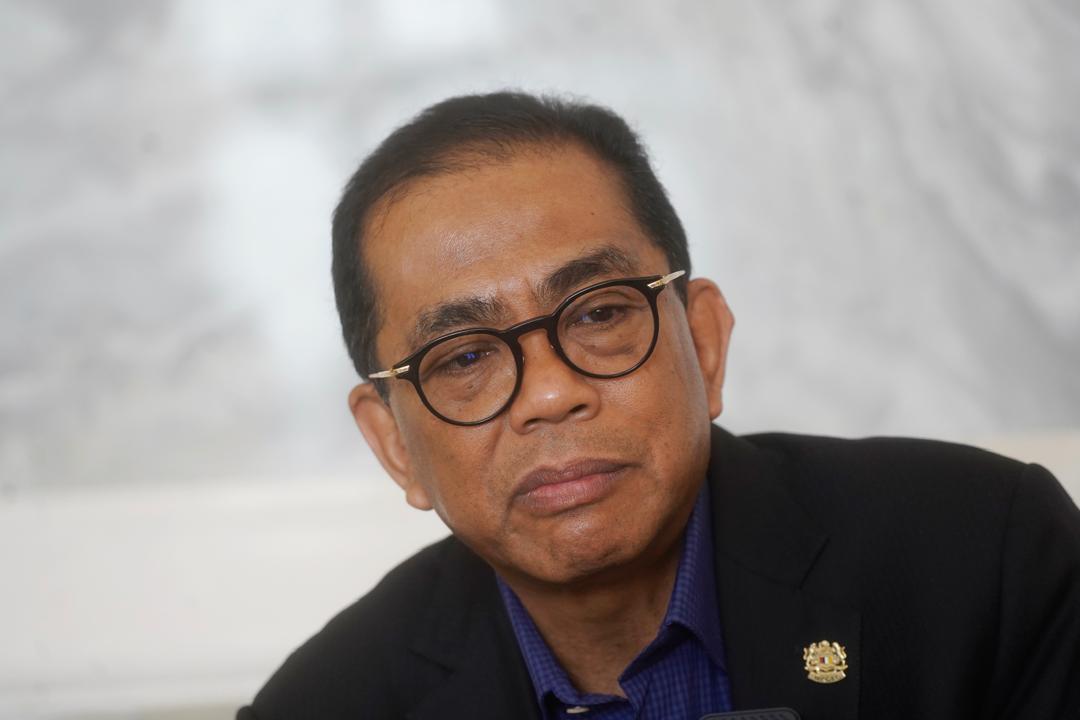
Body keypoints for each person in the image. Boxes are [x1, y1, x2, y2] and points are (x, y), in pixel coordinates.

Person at [237, 92, 1080, 720]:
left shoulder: (989, 559)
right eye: (464, 358)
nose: (551, 393)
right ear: (393, 442)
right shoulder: (326, 707)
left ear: (703, 342)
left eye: (598, 314)